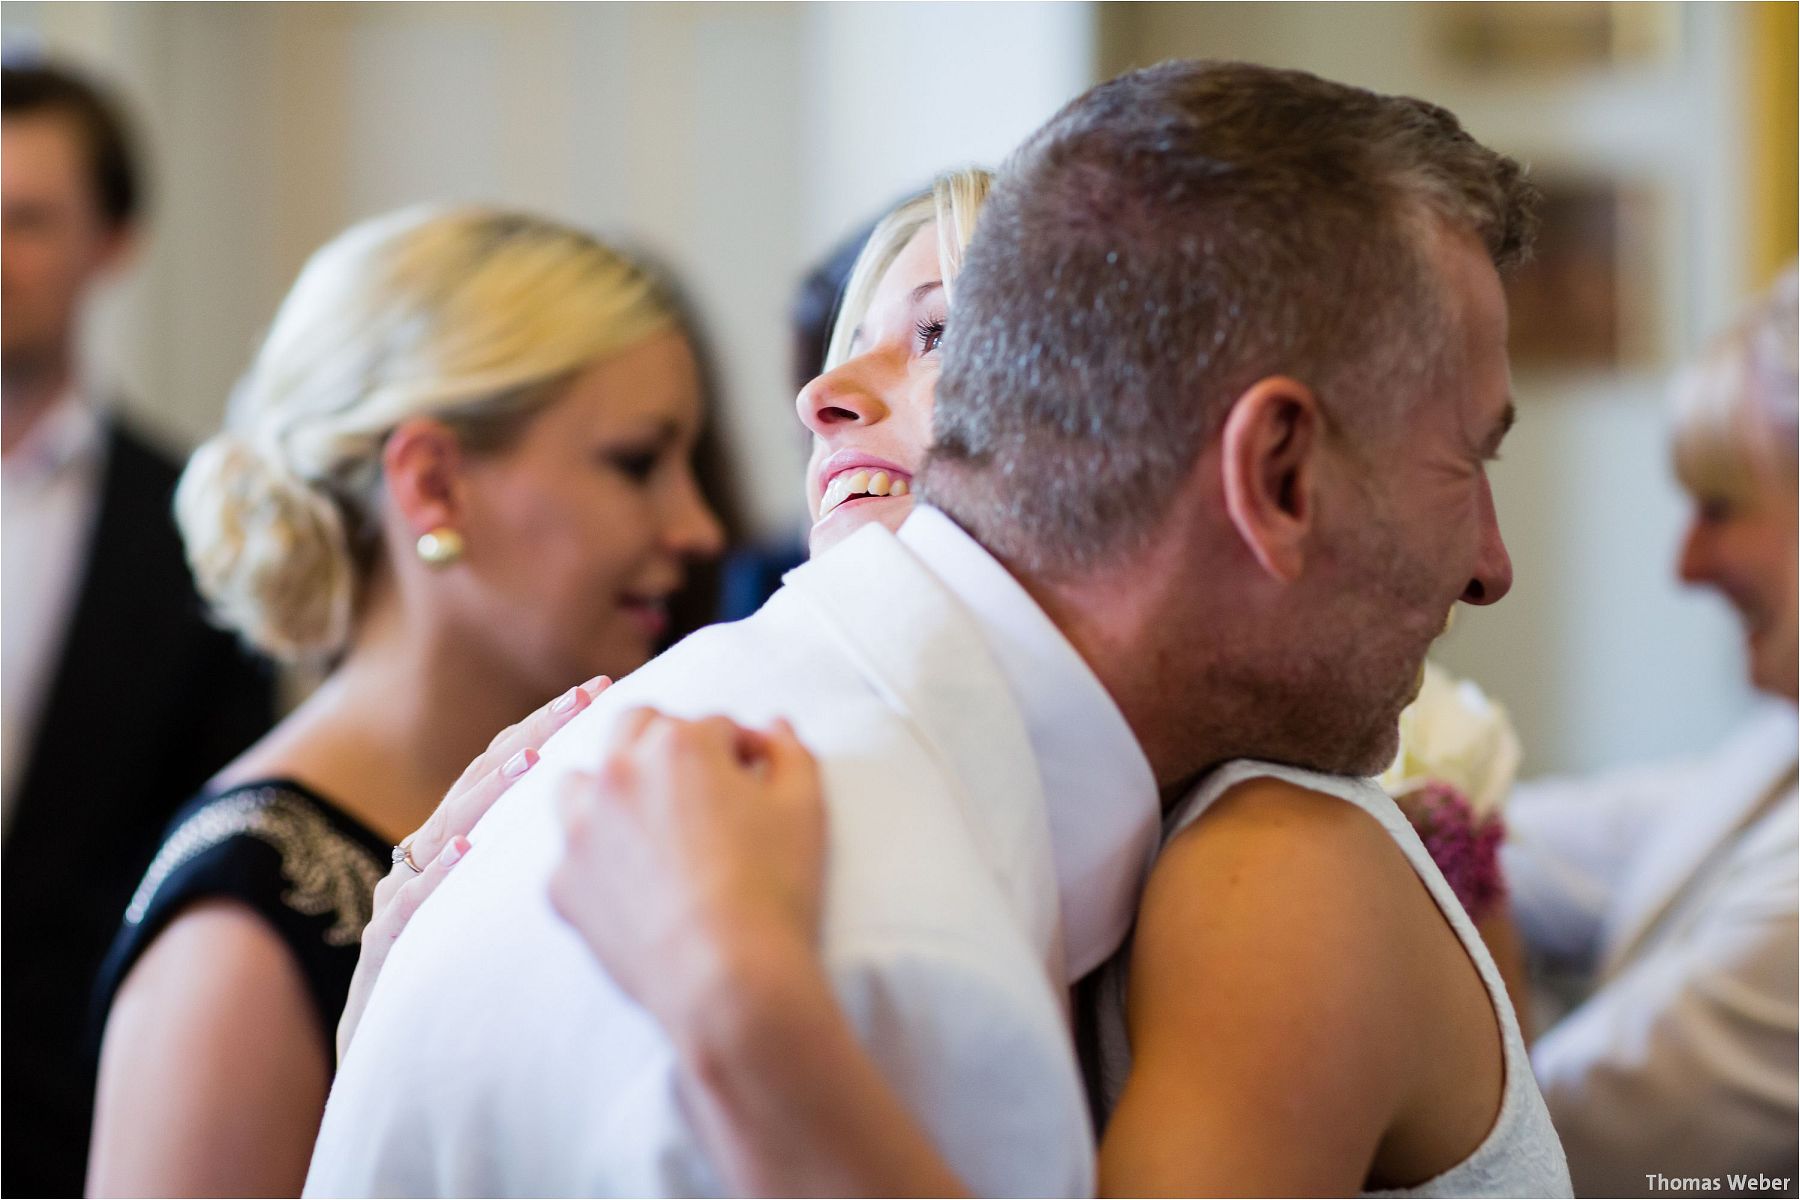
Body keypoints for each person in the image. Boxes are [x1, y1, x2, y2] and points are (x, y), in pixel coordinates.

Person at [309, 61, 1569, 1197]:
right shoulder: (908, 977)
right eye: (1465, 459)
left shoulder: (755, 762)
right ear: (1279, 477)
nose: (1491, 567)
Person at [85, 205, 723, 1197]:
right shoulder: (242, 933)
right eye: (637, 462)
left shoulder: (583, 808)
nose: (697, 528)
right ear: (432, 484)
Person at [0, 59, 277, 1198]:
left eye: (24, 219)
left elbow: (212, 848)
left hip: (77, 1122)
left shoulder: (194, 533)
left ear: (111, 243)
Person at [1502, 268, 1799, 1198]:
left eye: (1720, 507)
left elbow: (1548, 1161)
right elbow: (1564, 841)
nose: (1685, 563)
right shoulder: (1777, 743)